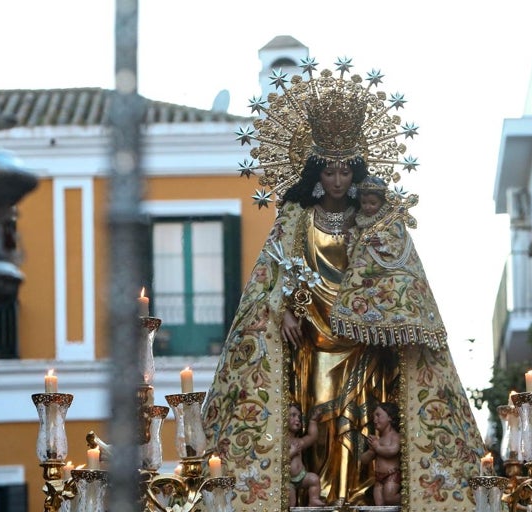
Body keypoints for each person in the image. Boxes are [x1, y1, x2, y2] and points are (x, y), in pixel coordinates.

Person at [202, 62, 484, 512]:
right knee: (316, 413)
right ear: (316, 172)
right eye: (329, 172)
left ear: (357, 174)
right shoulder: (296, 219)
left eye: (345, 173)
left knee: (361, 416)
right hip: (313, 337)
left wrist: (384, 312)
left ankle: (355, 494)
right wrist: (285, 312)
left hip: (361, 336)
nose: (337, 181)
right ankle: (319, 496)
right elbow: (268, 281)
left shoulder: (375, 222)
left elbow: (399, 278)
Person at [331, 176, 446, 347]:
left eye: (372, 203)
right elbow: (356, 238)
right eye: (364, 203)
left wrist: (383, 240)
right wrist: (353, 237)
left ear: (382, 202)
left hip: (388, 275)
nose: (368, 207)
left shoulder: (392, 219)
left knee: (393, 300)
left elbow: (399, 239)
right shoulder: (360, 220)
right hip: (363, 274)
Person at [359, 402, 401, 506]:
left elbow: (393, 450)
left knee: (389, 499)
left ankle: (411, 497)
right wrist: (372, 451)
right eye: (373, 417)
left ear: (390, 417)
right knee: (379, 505)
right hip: (378, 478)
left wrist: (377, 447)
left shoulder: (395, 436)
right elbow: (364, 460)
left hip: (391, 475)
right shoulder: (378, 440)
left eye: (378, 415)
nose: (374, 420)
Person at [287, 403, 326, 507]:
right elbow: (277, 460)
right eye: (293, 415)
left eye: (299, 417)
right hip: (287, 480)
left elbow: (312, 437)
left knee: (314, 479)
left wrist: (313, 421)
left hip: (301, 476)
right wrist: (291, 452)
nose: (298, 419)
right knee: (291, 501)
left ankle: (313, 499)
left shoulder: (298, 441)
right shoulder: (281, 442)